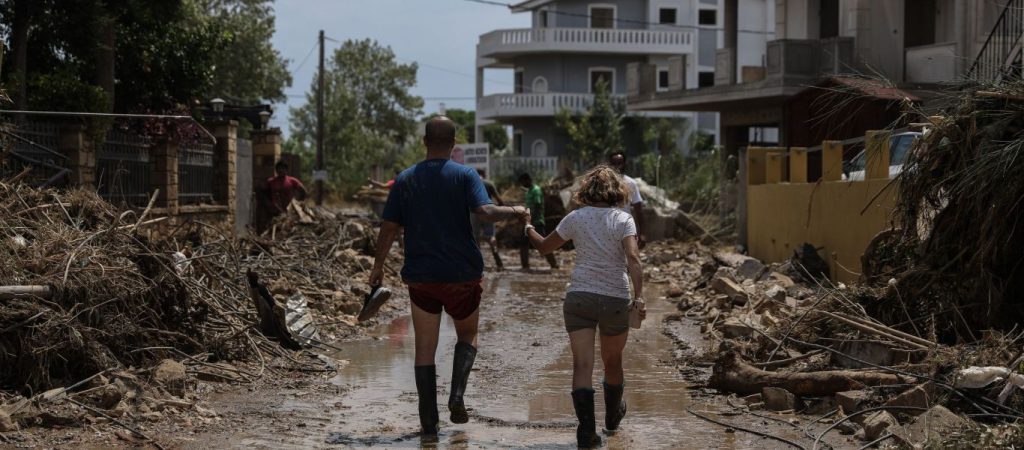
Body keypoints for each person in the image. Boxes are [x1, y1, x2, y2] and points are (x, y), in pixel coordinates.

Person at [368, 116, 528, 437]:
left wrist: (377, 266)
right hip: (462, 275)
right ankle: (457, 395)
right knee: (467, 334)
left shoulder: (405, 179)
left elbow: (388, 227)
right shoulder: (466, 175)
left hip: (421, 277)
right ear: (454, 144)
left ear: (424, 142)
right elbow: (486, 212)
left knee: (424, 349)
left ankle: (429, 425)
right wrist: (517, 210)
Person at [522, 165, 646, 448]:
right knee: (613, 361)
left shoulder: (575, 218)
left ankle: (586, 433)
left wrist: (528, 226)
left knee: (582, 365)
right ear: (617, 191)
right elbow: (634, 259)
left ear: (586, 190)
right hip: (615, 298)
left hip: (579, 297)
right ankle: (612, 418)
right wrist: (639, 297)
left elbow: (544, 247)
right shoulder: (624, 219)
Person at [518, 172, 559, 270]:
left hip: (537, 222)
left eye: (523, 182)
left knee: (544, 243)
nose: (522, 184)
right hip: (528, 222)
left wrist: (530, 219)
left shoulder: (536, 190)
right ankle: (525, 266)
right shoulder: (528, 192)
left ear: (527, 180)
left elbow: (537, 206)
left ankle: (554, 265)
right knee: (523, 243)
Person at [607, 152, 646, 248]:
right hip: (606, 226)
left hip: (624, 226)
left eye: (619, 163)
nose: (617, 166)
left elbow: (638, 209)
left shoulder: (631, 183)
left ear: (624, 164)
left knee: (628, 254)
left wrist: (642, 233)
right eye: (614, 163)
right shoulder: (603, 183)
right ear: (609, 165)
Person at [471, 169, 505, 271]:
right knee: (491, 236)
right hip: (487, 211)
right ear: (484, 174)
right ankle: (498, 262)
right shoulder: (489, 184)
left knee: (476, 238)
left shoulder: (470, 183)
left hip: (474, 212)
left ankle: (478, 264)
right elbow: (499, 200)